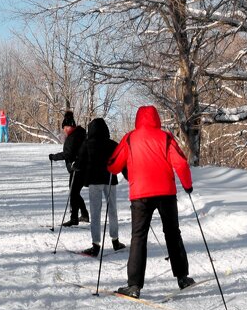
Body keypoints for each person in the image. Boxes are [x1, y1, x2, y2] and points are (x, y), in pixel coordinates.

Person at [106, 105, 195, 298]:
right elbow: (180, 162)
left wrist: (115, 166)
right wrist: (187, 185)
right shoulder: (165, 137)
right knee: (172, 233)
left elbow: (113, 165)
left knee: (139, 237)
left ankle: (134, 286)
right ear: (157, 119)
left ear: (138, 119)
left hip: (140, 195)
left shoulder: (130, 138)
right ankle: (183, 278)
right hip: (166, 194)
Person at [74, 117, 126, 256]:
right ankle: (115, 241)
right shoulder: (112, 144)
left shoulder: (87, 144)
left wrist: (74, 166)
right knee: (112, 210)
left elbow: (80, 162)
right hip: (109, 179)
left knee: (95, 212)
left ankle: (95, 245)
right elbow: (121, 160)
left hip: (94, 181)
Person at [48, 109, 89, 226]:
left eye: (65, 127)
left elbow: (68, 154)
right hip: (81, 167)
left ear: (70, 126)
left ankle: (74, 218)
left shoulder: (73, 137)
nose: (64, 130)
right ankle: (84, 215)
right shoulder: (80, 134)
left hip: (77, 169)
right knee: (75, 192)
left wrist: (54, 157)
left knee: (73, 193)